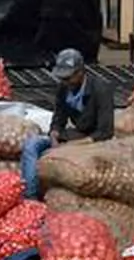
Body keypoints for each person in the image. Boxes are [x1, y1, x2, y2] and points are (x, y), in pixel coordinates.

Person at [20, 49, 115, 199]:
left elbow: (105, 132)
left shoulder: (101, 89)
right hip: (72, 136)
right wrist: (54, 135)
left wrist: (73, 146)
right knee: (32, 144)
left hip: (92, 140)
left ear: (80, 72)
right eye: (62, 78)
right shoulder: (64, 88)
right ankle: (30, 196)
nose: (65, 82)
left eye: (68, 78)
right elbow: (58, 118)